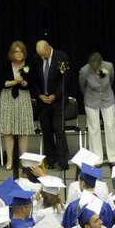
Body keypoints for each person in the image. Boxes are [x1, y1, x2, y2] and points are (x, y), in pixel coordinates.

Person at [0, 41, 36, 172]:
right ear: (12, 53)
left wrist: (25, 83)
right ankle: (10, 160)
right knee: (8, 131)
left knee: (23, 131)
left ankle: (23, 160)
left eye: (21, 52)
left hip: (23, 98)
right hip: (7, 98)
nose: (19, 54)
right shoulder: (6, 65)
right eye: (16, 52)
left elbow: (33, 83)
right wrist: (15, 81)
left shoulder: (29, 66)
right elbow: (2, 82)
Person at [79, 52, 115, 165]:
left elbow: (111, 80)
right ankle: (96, 158)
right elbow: (82, 86)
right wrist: (91, 96)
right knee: (94, 128)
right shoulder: (84, 71)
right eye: (92, 66)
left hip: (107, 98)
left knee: (110, 126)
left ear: (101, 63)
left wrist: (103, 93)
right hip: (91, 100)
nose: (95, 68)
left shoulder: (108, 66)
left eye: (97, 66)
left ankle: (113, 157)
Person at [34, 40, 70, 170]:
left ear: (48, 49)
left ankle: (63, 161)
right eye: (40, 55)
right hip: (43, 102)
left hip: (57, 101)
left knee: (58, 129)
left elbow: (65, 80)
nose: (42, 57)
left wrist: (55, 95)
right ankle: (50, 160)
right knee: (47, 131)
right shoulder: (37, 60)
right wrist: (39, 95)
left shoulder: (61, 57)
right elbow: (34, 80)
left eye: (43, 54)